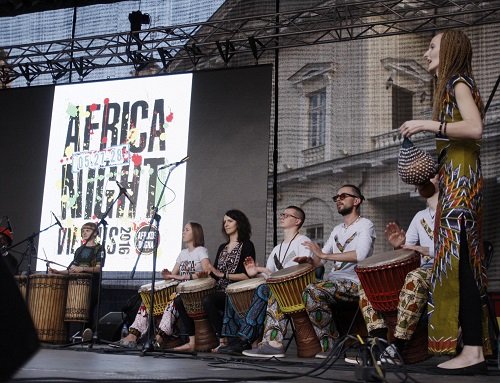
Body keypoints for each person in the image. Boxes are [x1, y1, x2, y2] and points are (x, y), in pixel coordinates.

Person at [400, 30, 490, 373]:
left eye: (432, 46)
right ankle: (472, 349)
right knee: (458, 265)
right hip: (457, 185)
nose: (425, 53)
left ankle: (473, 351)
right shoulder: (452, 86)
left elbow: (475, 128)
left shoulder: (458, 83)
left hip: (463, 191)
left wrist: (427, 124)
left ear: (449, 50)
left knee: (462, 266)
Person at [357, 175, 438, 364]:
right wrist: (399, 246)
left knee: (415, 276)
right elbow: (407, 251)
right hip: (422, 270)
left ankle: (399, 345)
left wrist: (419, 249)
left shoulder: (451, 211)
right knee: (368, 283)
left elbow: (454, 248)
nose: (423, 180)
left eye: (431, 176)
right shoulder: (420, 217)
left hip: (444, 269)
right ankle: (379, 339)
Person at [300, 184, 376, 358]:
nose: (338, 200)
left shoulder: (365, 224)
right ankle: (331, 343)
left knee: (313, 290)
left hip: (355, 283)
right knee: (306, 290)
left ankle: (331, 345)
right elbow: (320, 260)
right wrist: (310, 261)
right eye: (336, 197)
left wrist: (324, 255)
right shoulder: (337, 229)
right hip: (333, 282)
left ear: (356, 201)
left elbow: (361, 254)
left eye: (343, 196)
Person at [116, 222, 211, 350]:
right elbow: (173, 275)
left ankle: (159, 338)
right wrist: (167, 275)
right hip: (178, 288)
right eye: (184, 230)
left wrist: (180, 277)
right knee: (147, 301)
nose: (183, 232)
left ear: (195, 233)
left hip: (191, 292)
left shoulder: (201, 251)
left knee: (173, 302)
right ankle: (133, 335)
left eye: (187, 230)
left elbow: (206, 272)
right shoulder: (182, 253)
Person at [241, 205, 313, 358]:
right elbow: (269, 278)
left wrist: (265, 271)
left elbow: (305, 270)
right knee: (261, 288)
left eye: (287, 215)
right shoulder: (277, 249)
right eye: (282, 214)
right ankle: (258, 339)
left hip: (299, 291)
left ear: (297, 221)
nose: (282, 217)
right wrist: (255, 273)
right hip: (280, 290)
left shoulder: (304, 241)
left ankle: (263, 340)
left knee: (270, 291)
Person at [197, 209, 256, 352]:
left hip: (237, 292)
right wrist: (207, 274)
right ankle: (222, 339)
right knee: (205, 299)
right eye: (224, 222)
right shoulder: (221, 248)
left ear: (239, 223)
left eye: (230, 221)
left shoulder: (247, 245)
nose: (226, 224)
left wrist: (223, 275)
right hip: (220, 290)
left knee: (208, 300)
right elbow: (216, 273)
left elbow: (248, 275)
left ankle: (226, 340)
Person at [49, 221, 103, 340]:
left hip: (92, 284)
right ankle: (71, 335)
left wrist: (82, 268)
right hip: (77, 284)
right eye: (83, 231)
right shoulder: (79, 250)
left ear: (95, 233)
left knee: (88, 310)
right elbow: (72, 269)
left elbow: (99, 269)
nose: (84, 232)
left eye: (87, 230)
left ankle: (88, 334)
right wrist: (58, 271)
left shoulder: (99, 248)